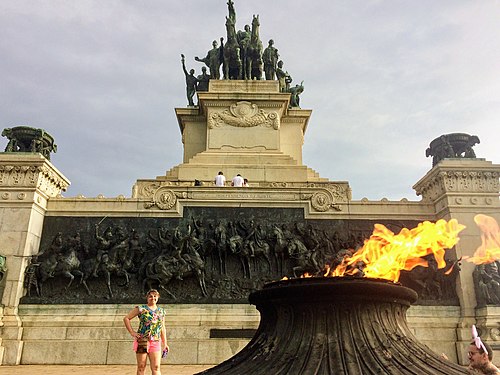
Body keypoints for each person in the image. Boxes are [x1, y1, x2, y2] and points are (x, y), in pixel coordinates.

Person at [124, 289, 169, 375]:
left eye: (155, 296)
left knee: (156, 367)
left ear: (158, 298)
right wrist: (132, 332)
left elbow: (162, 328)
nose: (153, 298)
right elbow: (126, 318)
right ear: (147, 298)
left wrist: (165, 343)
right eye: (150, 296)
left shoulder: (161, 311)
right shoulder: (141, 309)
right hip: (142, 341)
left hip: (155, 341)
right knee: (141, 366)